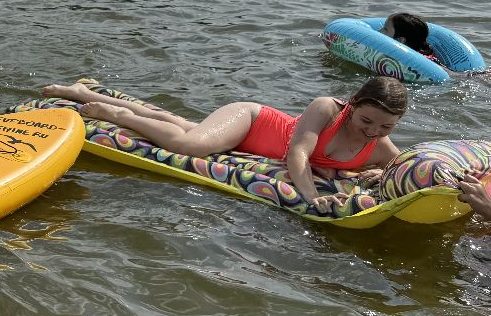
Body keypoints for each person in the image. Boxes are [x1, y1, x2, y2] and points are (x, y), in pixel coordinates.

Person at [40, 77, 407, 213]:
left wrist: (382, 172)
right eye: (366, 121)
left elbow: (405, 164)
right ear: (352, 104)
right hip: (251, 122)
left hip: (246, 146)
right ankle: (119, 115)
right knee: (190, 144)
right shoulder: (326, 108)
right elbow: (298, 153)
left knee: (181, 124)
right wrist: (312, 197)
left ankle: (83, 92)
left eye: (385, 127)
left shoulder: (379, 144)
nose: (372, 132)